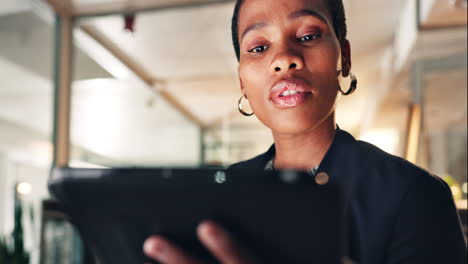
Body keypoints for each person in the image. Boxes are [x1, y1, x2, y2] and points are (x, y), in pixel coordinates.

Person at [143, 0, 467, 263]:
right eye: (257, 48)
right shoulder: (222, 196)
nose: (284, 59)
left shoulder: (412, 196)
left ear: (345, 57)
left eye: (308, 36)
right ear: (242, 81)